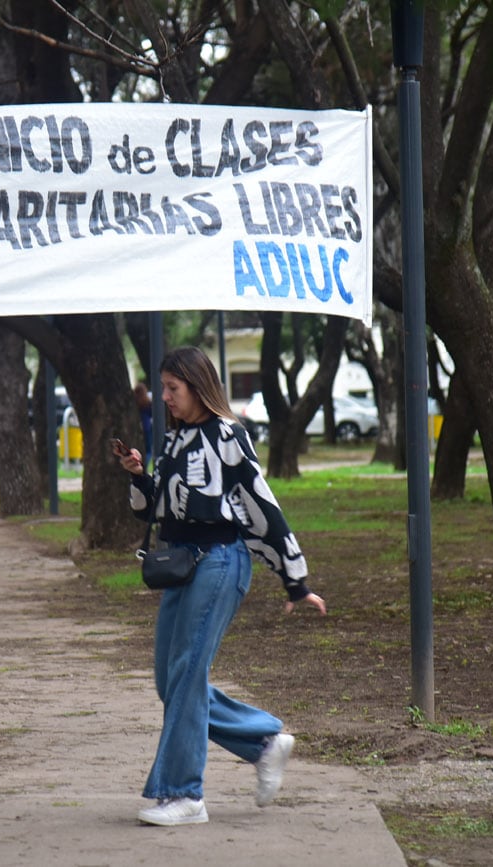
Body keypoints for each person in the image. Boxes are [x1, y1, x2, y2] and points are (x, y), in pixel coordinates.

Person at [114, 346, 326, 827]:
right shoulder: (174, 439)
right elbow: (155, 510)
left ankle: (184, 795)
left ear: (197, 386)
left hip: (221, 561)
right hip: (182, 564)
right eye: (164, 388)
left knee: (187, 672)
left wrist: (295, 580)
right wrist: (139, 477)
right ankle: (263, 743)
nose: (165, 397)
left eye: (173, 389)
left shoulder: (228, 435)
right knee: (171, 682)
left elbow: (261, 504)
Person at [133, 381, 153, 462]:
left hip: (140, 427)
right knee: (148, 449)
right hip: (147, 427)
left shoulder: (136, 402)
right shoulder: (147, 402)